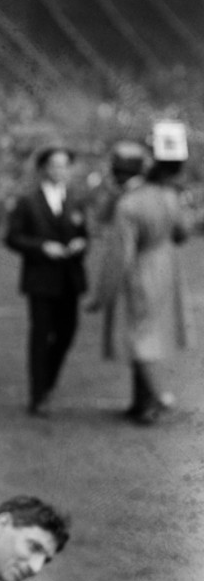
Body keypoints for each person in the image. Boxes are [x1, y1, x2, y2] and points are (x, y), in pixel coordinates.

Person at [87, 146, 194, 426]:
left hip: (140, 272)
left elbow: (120, 256)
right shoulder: (167, 194)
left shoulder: (129, 203)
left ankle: (155, 399)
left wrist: (101, 295)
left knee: (139, 338)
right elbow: (182, 233)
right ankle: (141, 402)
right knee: (151, 334)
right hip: (166, 268)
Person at [5, 145, 89, 417]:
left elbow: (84, 233)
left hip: (69, 278)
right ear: (43, 168)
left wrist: (80, 244)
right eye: (55, 165)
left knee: (67, 333)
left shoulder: (75, 199)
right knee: (41, 335)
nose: (60, 170)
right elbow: (13, 237)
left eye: (64, 165)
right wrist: (42, 247)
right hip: (41, 278)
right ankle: (38, 394)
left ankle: (48, 380)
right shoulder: (28, 201)